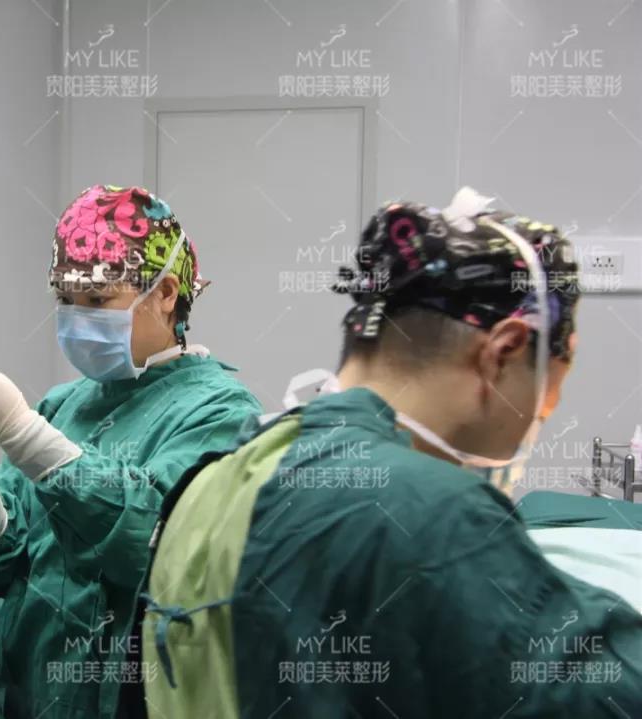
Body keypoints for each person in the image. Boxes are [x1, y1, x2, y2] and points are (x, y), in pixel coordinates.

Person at [135, 189, 642, 717]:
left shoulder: (219, 473)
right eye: (549, 389)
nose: (542, 414)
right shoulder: (432, 512)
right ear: (505, 351)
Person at [0, 184, 262, 718]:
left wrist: (22, 432)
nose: (75, 317)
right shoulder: (64, 405)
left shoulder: (221, 413)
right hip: (33, 692)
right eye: (65, 300)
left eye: (98, 300)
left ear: (166, 293)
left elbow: (154, 547)